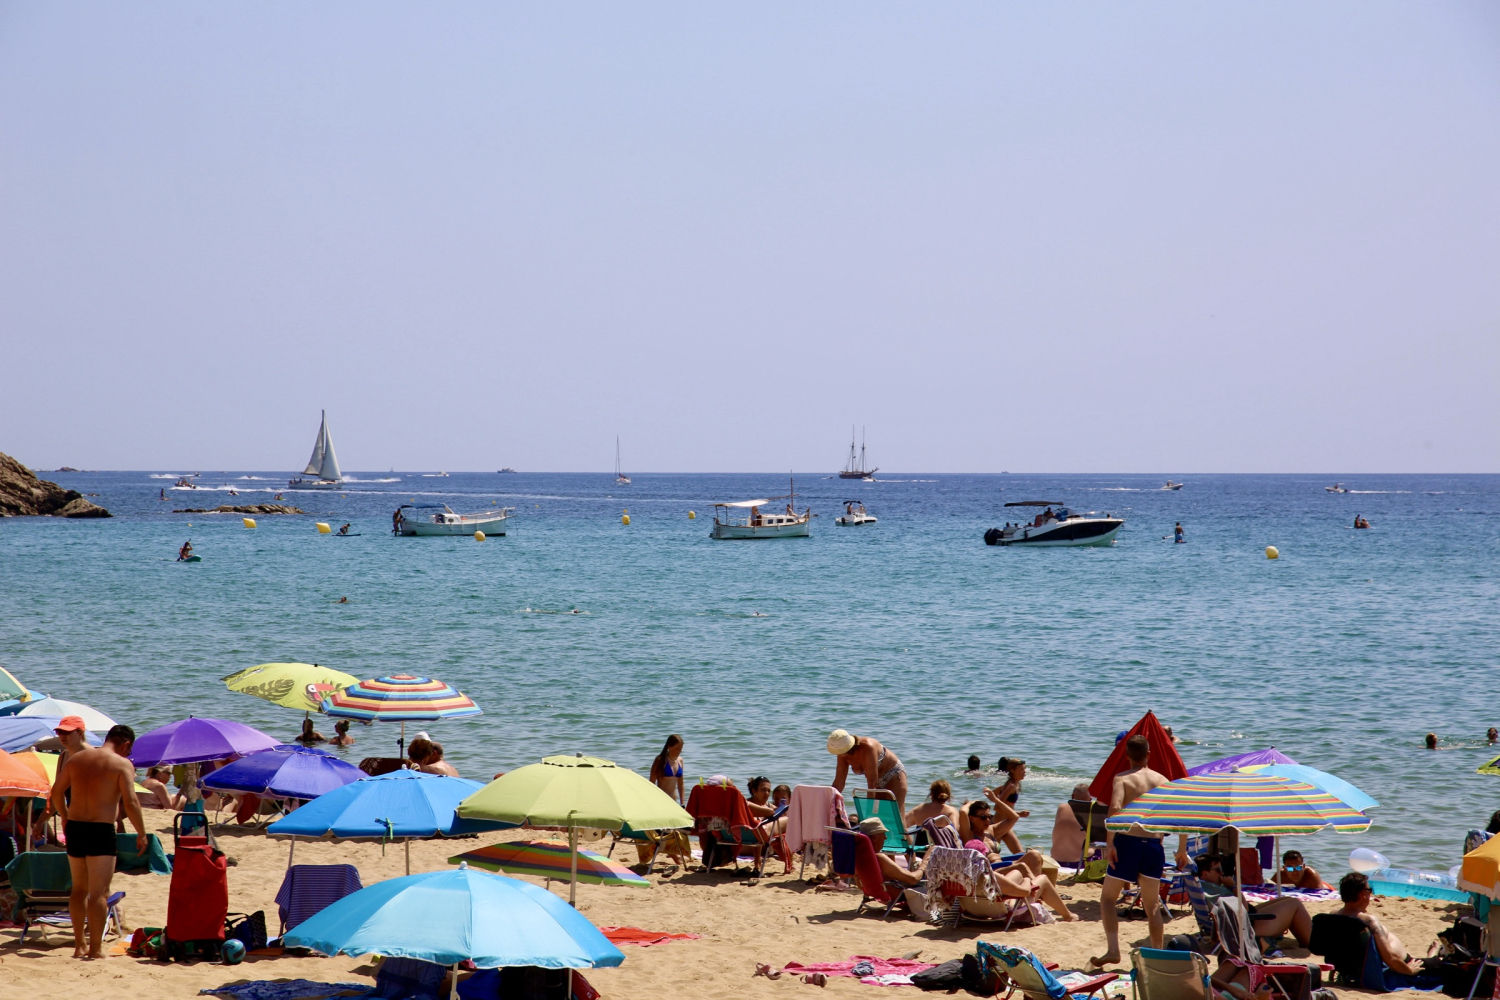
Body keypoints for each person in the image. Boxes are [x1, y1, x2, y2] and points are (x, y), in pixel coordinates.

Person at [50, 724, 148, 960]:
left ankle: (79, 946)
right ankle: (95, 949)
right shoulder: (122, 764)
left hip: (75, 827)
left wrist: (64, 816)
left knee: (78, 890)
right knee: (99, 893)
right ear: (126, 744)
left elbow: (55, 792)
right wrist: (142, 833)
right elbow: (131, 801)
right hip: (100, 829)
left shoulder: (77, 759)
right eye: (129, 749)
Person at [1092, 734, 1178, 968]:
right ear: (1149, 754)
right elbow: (1174, 815)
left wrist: (1110, 844)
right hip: (1152, 845)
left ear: (1127, 756)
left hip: (1128, 842)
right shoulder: (1162, 780)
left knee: (1108, 898)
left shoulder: (1122, 778)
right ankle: (1158, 955)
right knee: (1151, 906)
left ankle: (1113, 950)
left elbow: (1116, 807)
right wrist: (1173, 845)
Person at [1337, 872, 1422, 975]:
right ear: (1362, 895)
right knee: (1438, 964)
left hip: (1352, 969)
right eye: (1369, 890)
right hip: (1400, 967)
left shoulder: (1333, 916)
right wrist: (1410, 971)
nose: (1371, 893)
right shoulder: (1369, 920)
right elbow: (1390, 958)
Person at [828, 729, 908, 817]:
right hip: (876, 782)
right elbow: (839, 783)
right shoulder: (841, 754)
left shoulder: (868, 747)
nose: (839, 755)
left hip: (893, 775)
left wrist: (868, 813)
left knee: (894, 817)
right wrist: (828, 804)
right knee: (879, 818)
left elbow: (872, 783)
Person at [857, 817, 926, 887]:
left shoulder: (858, 857)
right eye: (883, 834)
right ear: (874, 838)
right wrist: (924, 864)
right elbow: (913, 879)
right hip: (901, 896)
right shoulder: (878, 858)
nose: (885, 838)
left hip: (879, 893)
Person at [987, 757, 1030, 853]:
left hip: (1006, 825)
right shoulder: (1011, 786)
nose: (1024, 772)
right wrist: (1017, 813)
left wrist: (1017, 813)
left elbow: (994, 793)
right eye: (1021, 769)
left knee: (1020, 854)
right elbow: (998, 806)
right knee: (993, 856)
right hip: (998, 826)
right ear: (1012, 770)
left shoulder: (1014, 784)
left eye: (1024, 769)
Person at [1051, 783, 1095, 865]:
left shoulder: (1061, 807)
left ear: (1072, 796)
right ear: (1090, 798)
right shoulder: (1092, 810)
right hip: (1079, 863)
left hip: (1056, 861)